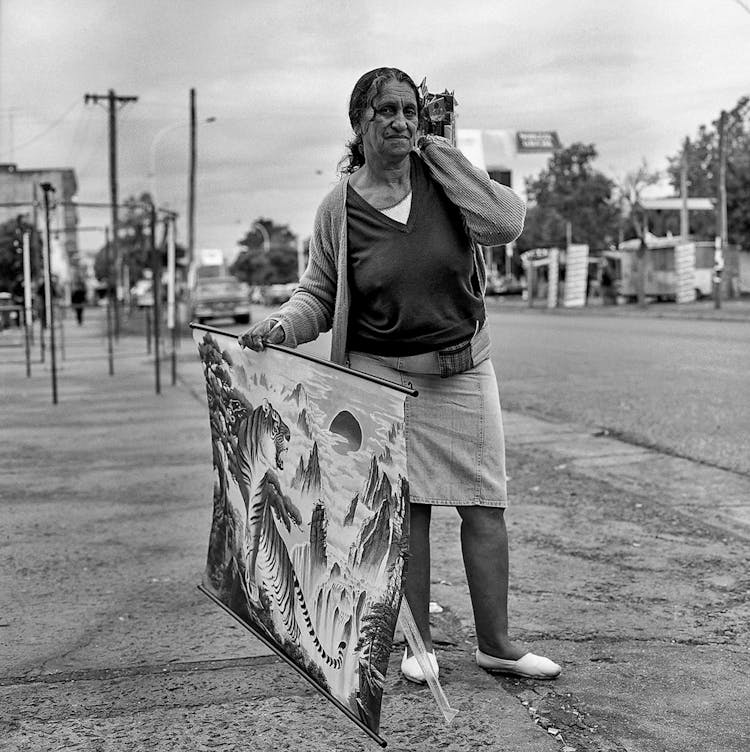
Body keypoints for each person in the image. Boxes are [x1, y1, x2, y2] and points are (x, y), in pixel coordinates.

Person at [239, 67, 560, 684]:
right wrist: (281, 326)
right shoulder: (339, 208)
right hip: (379, 377)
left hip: (461, 369)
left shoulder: (442, 179)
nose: (401, 122)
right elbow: (319, 293)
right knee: (404, 512)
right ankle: (418, 646)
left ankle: (496, 644)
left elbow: (507, 224)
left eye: (410, 111)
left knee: (484, 504)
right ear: (359, 123)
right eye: (386, 111)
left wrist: (443, 155)